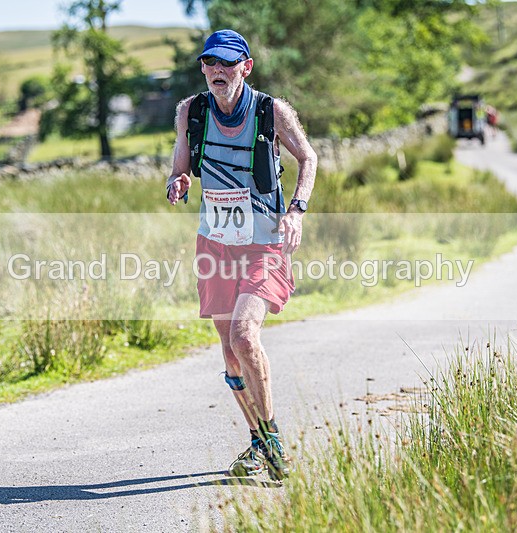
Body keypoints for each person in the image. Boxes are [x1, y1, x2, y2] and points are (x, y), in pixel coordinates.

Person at [166, 29, 317, 481]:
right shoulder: (189, 112)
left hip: (264, 239)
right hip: (215, 241)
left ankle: (272, 443)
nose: (218, 71)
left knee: (245, 335)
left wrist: (297, 211)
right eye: (210, 63)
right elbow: (180, 166)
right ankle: (259, 444)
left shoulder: (272, 111)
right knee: (229, 350)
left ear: (245, 68)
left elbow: (308, 159)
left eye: (228, 63)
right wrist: (178, 181)